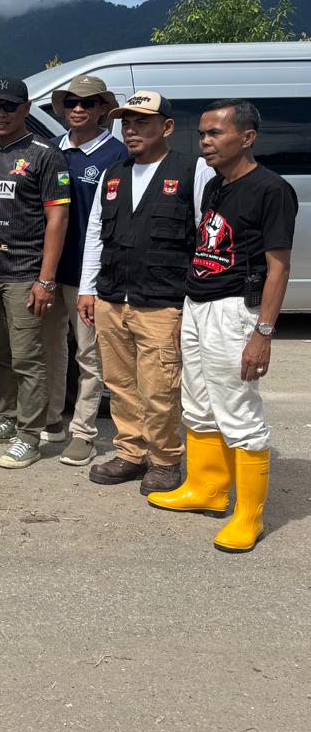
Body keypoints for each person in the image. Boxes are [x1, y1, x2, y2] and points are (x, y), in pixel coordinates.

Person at [146, 99, 296, 553]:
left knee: (238, 411)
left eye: (215, 133)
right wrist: (186, 308)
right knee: (196, 403)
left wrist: (262, 334)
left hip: (235, 311)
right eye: (203, 133)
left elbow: (279, 268)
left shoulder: (271, 190)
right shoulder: (215, 186)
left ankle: (248, 515)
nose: (204, 141)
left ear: (246, 137)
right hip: (198, 304)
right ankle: (207, 487)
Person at [76, 90, 200, 492]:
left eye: (141, 122)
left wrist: (194, 303)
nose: (131, 130)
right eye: (126, 123)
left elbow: (204, 241)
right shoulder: (114, 174)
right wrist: (87, 290)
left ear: (166, 127)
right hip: (112, 298)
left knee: (160, 387)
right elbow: (96, 235)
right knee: (121, 385)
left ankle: (164, 460)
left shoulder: (192, 171)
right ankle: (131, 452)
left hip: (163, 301)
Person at [0, 76, 70, 469]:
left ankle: (30, 435)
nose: (1, 114)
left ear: (26, 109)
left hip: (25, 274)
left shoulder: (46, 155)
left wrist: (46, 279)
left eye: (9, 106)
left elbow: (57, 219)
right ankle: (7, 420)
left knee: (28, 359)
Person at [47, 75, 127, 466]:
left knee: (89, 358)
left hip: (87, 276)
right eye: (72, 103)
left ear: (101, 110)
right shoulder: (51, 150)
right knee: (50, 351)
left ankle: (84, 433)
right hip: (49, 270)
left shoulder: (115, 154)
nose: (79, 109)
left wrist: (95, 282)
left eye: (89, 103)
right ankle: (52, 421)